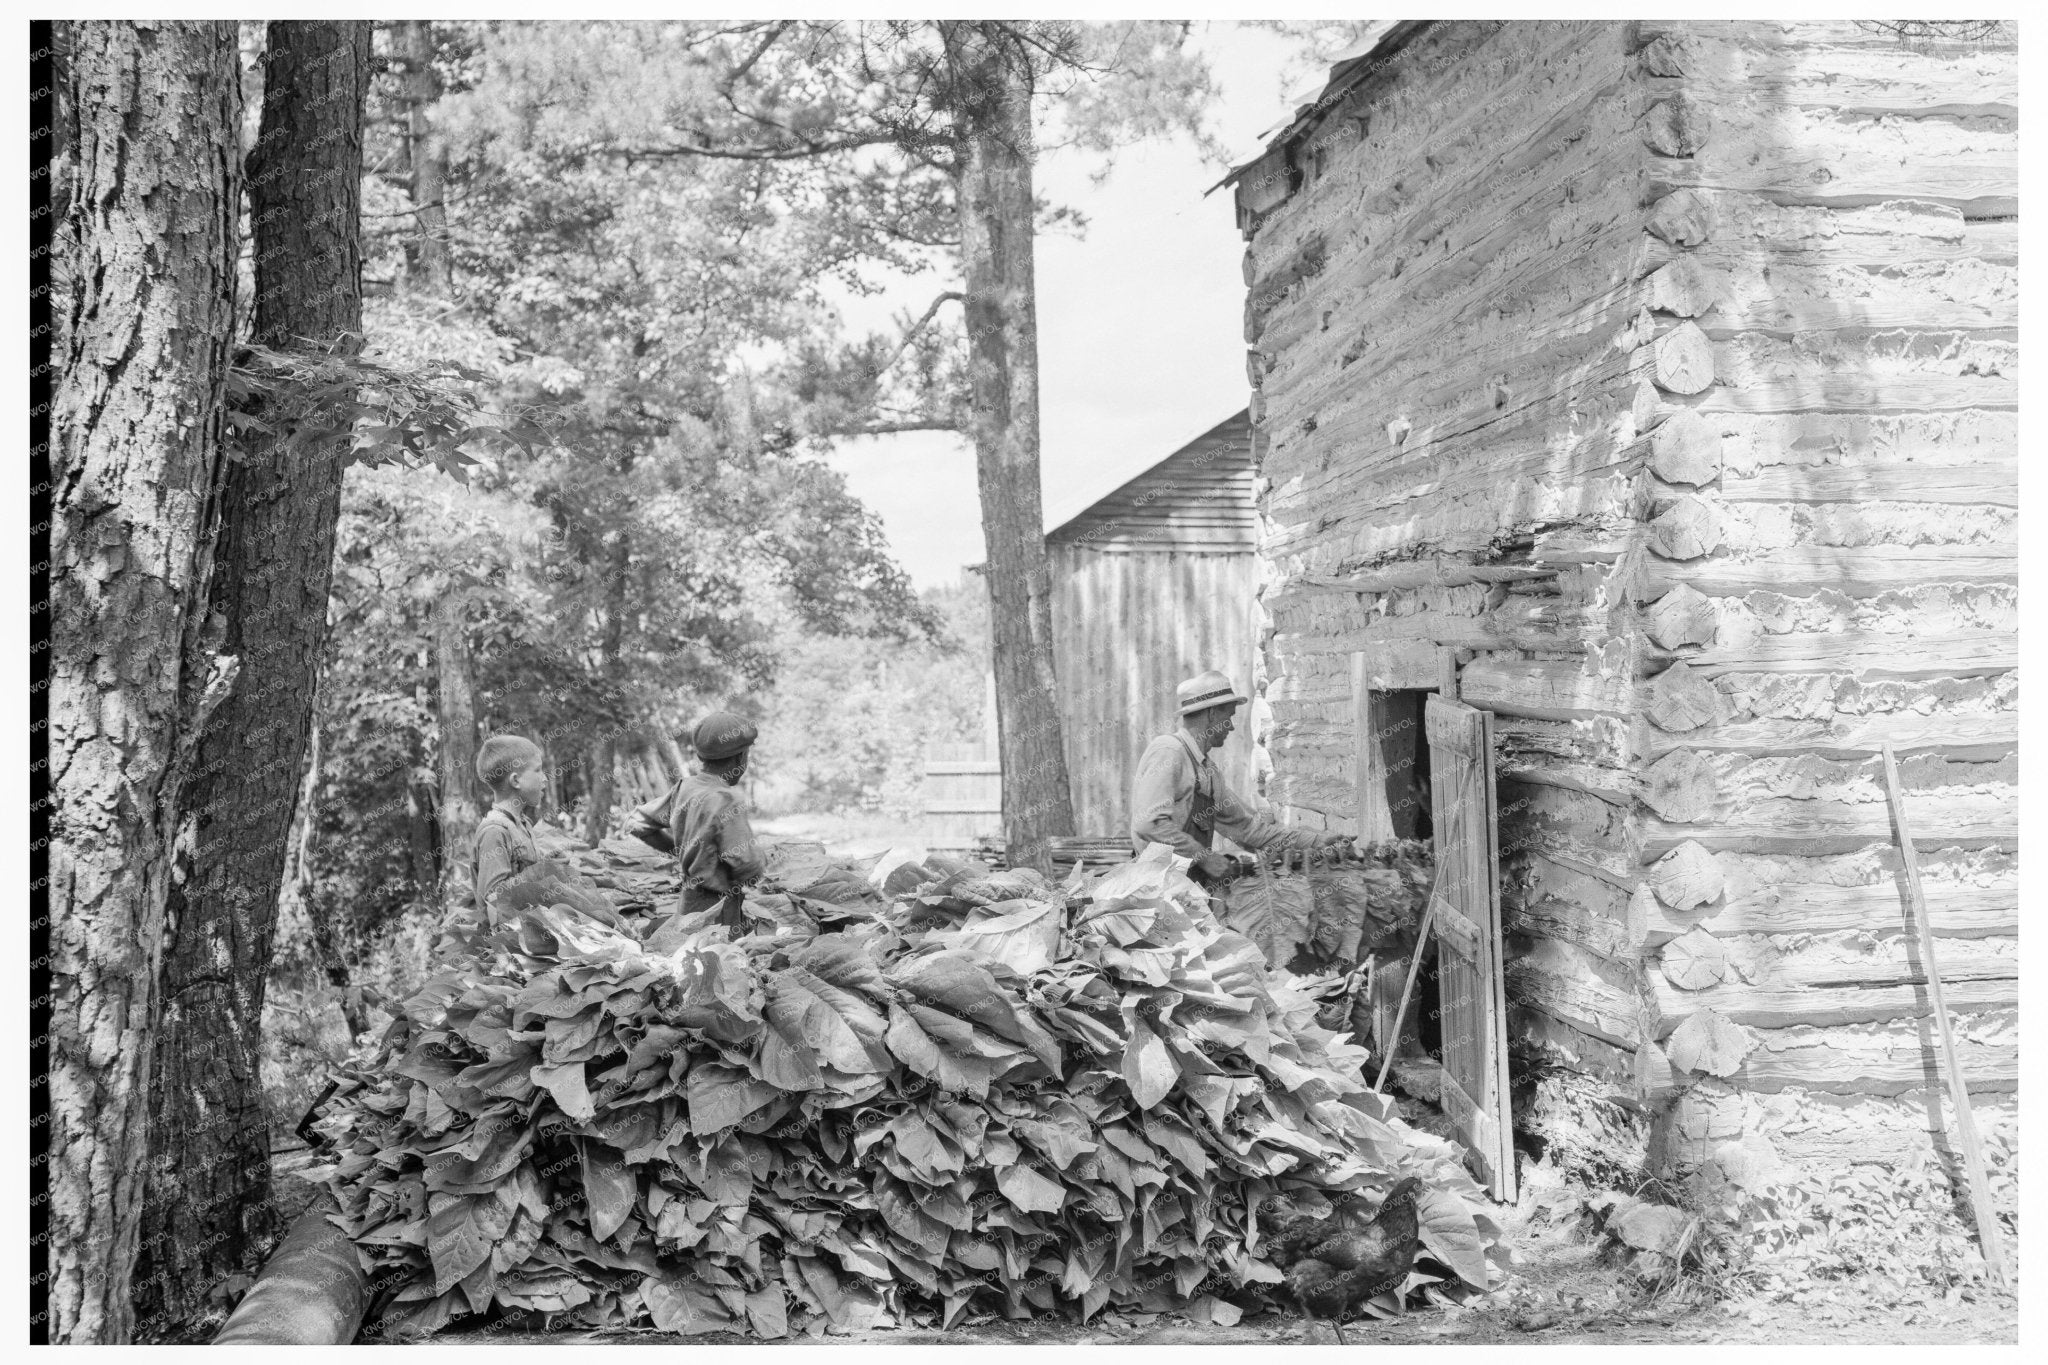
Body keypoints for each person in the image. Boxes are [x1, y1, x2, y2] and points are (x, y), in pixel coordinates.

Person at [1131, 670, 1351, 889]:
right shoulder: (1169, 751)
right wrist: (1206, 858)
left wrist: (1317, 842)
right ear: (1212, 715)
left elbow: (1248, 830)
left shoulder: (1207, 771)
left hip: (1185, 887)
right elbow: (1149, 823)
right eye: (1229, 716)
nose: (1231, 726)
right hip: (1154, 890)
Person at [668, 710, 767, 930]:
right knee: (722, 957)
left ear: (701, 757)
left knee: (690, 953)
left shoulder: (684, 787)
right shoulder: (727, 799)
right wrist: (766, 873)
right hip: (719, 907)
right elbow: (746, 862)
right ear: (740, 758)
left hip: (689, 899)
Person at [470, 733, 548, 917]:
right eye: (538, 770)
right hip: (509, 940)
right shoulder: (494, 832)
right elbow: (495, 899)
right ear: (515, 781)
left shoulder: (522, 823)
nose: (544, 778)